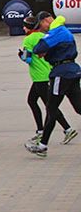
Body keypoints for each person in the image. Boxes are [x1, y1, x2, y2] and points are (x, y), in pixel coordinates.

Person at [25, 12, 81, 157]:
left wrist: (45, 51)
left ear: (45, 21)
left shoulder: (57, 31)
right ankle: (44, 144)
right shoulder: (64, 30)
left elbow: (39, 48)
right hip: (73, 71)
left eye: (41, 26)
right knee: (78, 107)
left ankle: (43, 146)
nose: (42, 30)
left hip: (60, 74)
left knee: (51, 107)